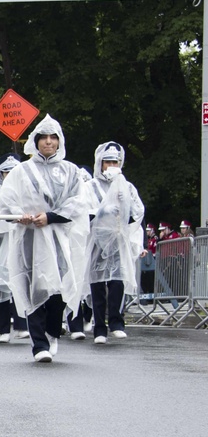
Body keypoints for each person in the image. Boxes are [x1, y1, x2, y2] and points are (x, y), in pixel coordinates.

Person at [0, 115, 89, 363]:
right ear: (35, 141)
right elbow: (6, 202)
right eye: (43, 138)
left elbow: (78, 202)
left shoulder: (71, 172)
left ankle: (52, 330)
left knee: (57, 289)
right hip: (29, 239)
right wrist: (19, 216)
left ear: (59, 141)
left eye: (52, 137)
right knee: (32, 286)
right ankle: (39, 345)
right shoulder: (21, 171)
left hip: (58, 237)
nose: (48, 142)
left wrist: (51, 216)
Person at [82, 141, 145, 344]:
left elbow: (138, 211)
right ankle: (99, 327)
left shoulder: (126, 187)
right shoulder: (89, 187)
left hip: (117, 240)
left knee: (117, 281)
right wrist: (104, 211)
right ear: (99, 163)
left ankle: (117, 322)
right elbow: (84, 212)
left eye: (115, 162)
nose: (111, 166)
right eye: (107, 162)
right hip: (97, 242)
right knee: (98, 284)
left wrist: (124, 211)